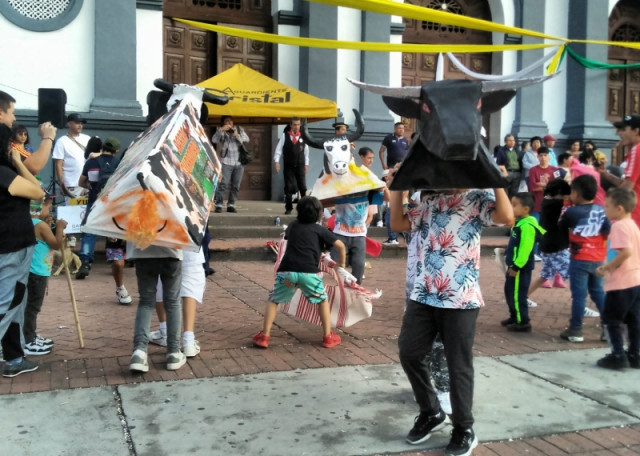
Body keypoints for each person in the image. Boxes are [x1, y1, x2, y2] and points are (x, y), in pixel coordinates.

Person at [389, 167, 514, 452]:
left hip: (460, 298)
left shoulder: (476, 198)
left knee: (458, 365)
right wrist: (399, 185)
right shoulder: (429, 200)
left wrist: (496, 181)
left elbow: (506, 217)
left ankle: (464, 428)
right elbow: (397, 223)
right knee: (409, 351)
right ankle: (431, 411)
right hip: (424, 293)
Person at [252, 196, 346, 349]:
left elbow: (291, 239)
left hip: (287, 274)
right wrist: (341, 263)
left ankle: (264, 335)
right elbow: (340, 246)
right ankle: (328, 336)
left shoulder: (292, 226)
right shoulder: (320, 230)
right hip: (309, 275)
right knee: (322, 300)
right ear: (319, 214)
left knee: (274, 300)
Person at [0, 90, 47, 377]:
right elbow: (38, 191)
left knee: (15, 304)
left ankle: (14, 359)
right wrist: (17, 163)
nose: (14, 117)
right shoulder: (3, 173)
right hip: (11, 245)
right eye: (11, 112)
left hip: (11, 243)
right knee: (7, 301)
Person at [558, 175, 611, 343]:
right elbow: (607, 231)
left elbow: (560, 226)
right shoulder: (603, 210)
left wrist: (566, 204)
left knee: (579, 296)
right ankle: (608, 328)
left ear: (576, 193)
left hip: (580, 258)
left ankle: (575, 330)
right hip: (598, 257)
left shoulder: (572, 211)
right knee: (598, 293)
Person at [76, 137, 128, 297]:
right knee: (113, 230)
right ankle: (114, 260)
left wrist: (92, 188)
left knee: (89, 231)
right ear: (117, 150)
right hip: (113, 203)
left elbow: (81, 182)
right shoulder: (119, 164)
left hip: (95, 201)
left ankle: (85, 262)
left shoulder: (91, 163)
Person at [595, 187, 640, 370]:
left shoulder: (618, 226)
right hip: (636, 280)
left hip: (621, 283)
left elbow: (626, 252)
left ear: (619, 208)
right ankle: (635, 353)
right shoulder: (633, 225)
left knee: (611, 319)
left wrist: (608, 267)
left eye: (607, 206)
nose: (605, 209)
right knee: (634, 319)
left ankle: (617, 354)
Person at [128, 242, 185, 373]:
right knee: (172, 302)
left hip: (143, 250)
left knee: (146, 302)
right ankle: (173, 352)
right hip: (171, 249)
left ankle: (139, 352)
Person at [23, 196, 66, 355]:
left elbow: (42, 241)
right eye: (48, 208)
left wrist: (48, 225)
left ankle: (30, 335)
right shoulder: (40, 225)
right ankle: (28, 338)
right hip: (37, 273)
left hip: (34, 271)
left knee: (30, 306)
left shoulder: (33, 223)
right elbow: (56, 244)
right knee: (33, 307)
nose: (49, 211)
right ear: (38, 208)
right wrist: (59, 227)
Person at [149, 248, 206, 357]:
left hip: (164, 246)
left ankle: (164, 331)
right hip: (189, 245)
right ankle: (188, 341)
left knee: (161, 280)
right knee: (190, 285)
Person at [502, 192, 544, 332]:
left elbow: (525, 248)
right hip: (514, 265)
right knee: (509, 291)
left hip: (519, 268)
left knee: (517, 294)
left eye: (514, 205)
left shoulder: (527, 226)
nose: (511, 208)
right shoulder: (519, 223)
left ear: (526, 209)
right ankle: (514, 316)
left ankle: (523, 321)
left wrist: (516, 266)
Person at [528, 178, 571, 294]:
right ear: (559, 194)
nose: (567, 198)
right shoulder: (556, 204)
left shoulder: (547, 202)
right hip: (555, 247)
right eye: (565, 195)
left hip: (547, 246)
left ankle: (522, 297)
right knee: (576, 276)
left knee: (544, 276)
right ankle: (580, 306)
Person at [212, 115, 249, 213]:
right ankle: (219, 204)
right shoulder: (222, 131)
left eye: (230, 121)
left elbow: (246, 140)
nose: (228, 123)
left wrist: (236, 135)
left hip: (239, 162)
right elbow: (214, 140)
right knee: (223, 184)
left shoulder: (239, 129)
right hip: (226, 162)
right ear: (223, 123)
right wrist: (221, 130)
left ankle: (231, 204)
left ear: (233, 122)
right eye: (226, 121)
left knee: (236, 185)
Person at [273, 117, 309, 215]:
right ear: (291, 125)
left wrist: (306, 164)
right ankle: (288, 207)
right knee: (288, 187)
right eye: (295, 125)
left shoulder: (303, 136)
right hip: (289, 165)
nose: (296, 127)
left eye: (298, 124)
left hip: (300, 164)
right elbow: (278, 150)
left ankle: (305, 208)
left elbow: (306, 152)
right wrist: (277, 162)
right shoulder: (285, 136)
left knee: (303, 187)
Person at [52, 113, 90, 201]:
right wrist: (62, 184)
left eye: (81, 123)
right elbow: (58, 164)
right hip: (71, 184)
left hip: (87, 184)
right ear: (69, 124)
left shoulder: (87, 138)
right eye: (77, 123)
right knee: (72, 211)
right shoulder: (62, 141)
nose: (80, 125)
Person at [528, 147, 562, 219]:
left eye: (545, 155)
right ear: (537, 157)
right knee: (536, 226)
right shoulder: (532, 170)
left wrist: (542, 184)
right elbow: (533, 187)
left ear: (549, 157)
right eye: (541, 155)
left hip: (551, 205)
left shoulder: (555, 170)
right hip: (537, 205)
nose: (543, 157)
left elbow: (559, 186)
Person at [495, 134, 523, 199]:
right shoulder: (501, 151)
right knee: (504, 191)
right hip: (507, 172)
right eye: (510, 140)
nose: (512, 142)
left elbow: (520, 160)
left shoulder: (517, 150)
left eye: (513, 140)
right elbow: (498, 163)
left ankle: (512, 206)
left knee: (514, 192)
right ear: (505, 142)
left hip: (517, 173)